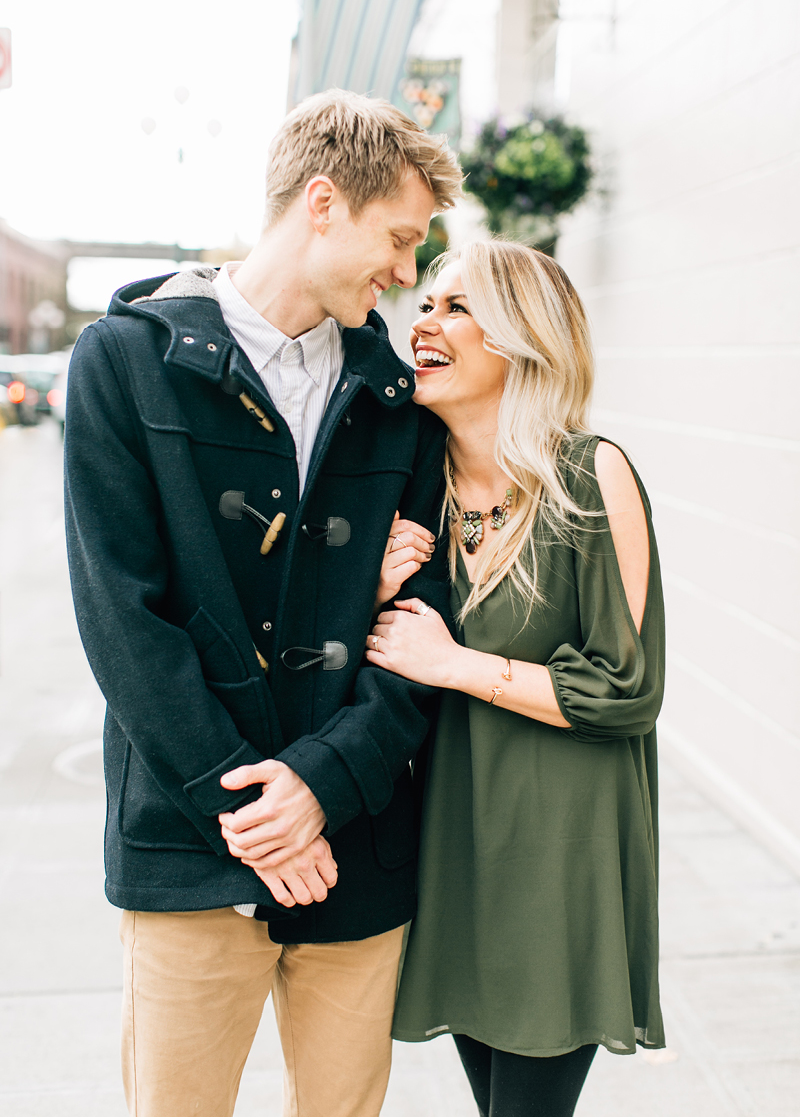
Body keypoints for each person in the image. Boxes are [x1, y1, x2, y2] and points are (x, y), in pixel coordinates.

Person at [64, 89, 463, 1117]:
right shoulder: (124, 363)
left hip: (358, 848)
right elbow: (123, 618)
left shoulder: (398, 401)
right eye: (400, 238)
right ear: (322, 203)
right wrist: (255, 812)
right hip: (192, 845)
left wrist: (319, 789)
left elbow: (418, 637)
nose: (407, 275)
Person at [367, 240, 666, 1117]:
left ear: (522, 338)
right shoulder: (415, 486)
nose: (425, 321)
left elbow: (624, 688)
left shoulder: (590, 474)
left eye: (457, 307)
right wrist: (374, 589)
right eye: (425, 304)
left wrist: (458, 665)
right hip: (453, 844)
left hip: (559, 851)